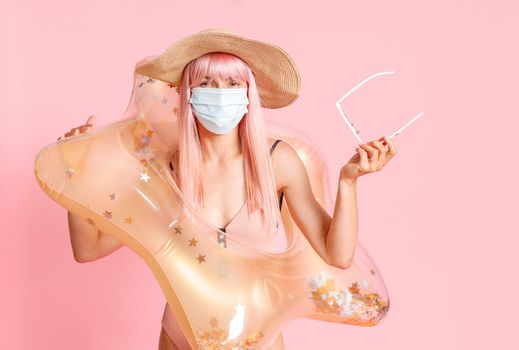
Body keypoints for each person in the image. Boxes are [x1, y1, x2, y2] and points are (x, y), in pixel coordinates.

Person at [61, 28, 397, 350]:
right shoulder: (164, 168)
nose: (219, 92)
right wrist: (74, 171)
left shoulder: (277, 161)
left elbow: (337, 255)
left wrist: (348, 181)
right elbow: (88, 250)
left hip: (257, 341)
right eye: (206, 83)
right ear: (187, 94)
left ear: (248, 93)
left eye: (232, 83)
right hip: (179, 339)